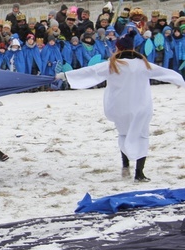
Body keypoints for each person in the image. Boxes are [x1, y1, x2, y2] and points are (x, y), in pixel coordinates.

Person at [57, 33, 185, 181]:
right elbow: (164, 72)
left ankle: (125, 166)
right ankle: (139, 172)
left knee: (124, 134)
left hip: (120, 108)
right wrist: (179, 80)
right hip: (140, 107)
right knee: (141, 136)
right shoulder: (142, 64)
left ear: (118, 48)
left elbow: (90, 72)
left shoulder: (113, 64)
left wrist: (65, 75)